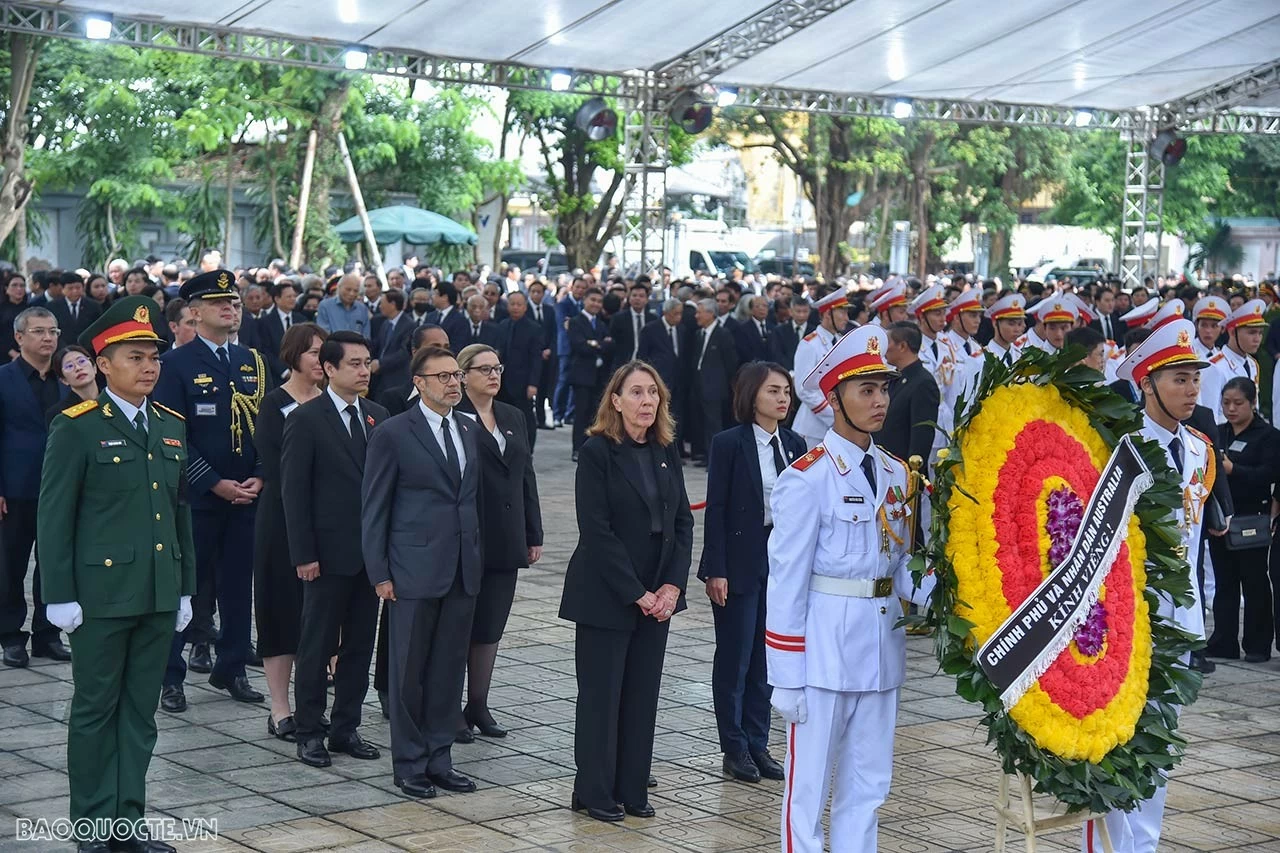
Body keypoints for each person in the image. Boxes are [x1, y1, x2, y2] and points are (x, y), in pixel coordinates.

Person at [767, 324, 933, 852]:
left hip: (882, 647)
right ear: (834, 399)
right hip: (822, 652)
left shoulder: (893, 472)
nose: (880, 400)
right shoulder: (806, 478)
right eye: (867, 390)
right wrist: (786, 676)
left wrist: (949, 591)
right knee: (808, 788)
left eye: (884, 388)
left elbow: (901, 563)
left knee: (869, 784)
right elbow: (786, 581)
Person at [38, 296, 194, 853]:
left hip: (157, 592)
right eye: (136, 356)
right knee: (94, 713)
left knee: (140, 716)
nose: (149, 366)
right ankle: (91, 827)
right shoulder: (76, 428)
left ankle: (128, 825)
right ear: (104, 364)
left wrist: (185, 587)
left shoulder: (171, 426)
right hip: (99, 597)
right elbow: (54, 517)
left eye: (154, 355)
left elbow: (179, 513)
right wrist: (57, 595)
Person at [1088, 317, 1212, 853]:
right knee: (1117, 749)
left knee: (1159, 750)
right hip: (1127, 619)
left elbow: (1198, 538)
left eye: (1194, 378)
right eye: (1178, 378)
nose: (1190, 389)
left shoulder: (1201, 449)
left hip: (1178, 623)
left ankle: (1144, 847)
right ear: (1147, 382)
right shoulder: (1123, 449)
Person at [559, 361, 694, 822]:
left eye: (653, 393)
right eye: (636, 393)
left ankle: (632, 788)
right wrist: (638, 592)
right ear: (615, 401)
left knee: (641, 696)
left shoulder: (664, 449)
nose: (646, 402)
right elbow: (596, 532)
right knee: (602, 698)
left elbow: (682, 523)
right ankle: (594, 792)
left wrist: (672, 586)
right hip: (607, 594)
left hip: (658, 598)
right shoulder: (597, 452)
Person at [362, 345, 482, 799]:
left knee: (448, 670)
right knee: (409, 672)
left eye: (456, 375)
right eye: (444, 377)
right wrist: (380, 572)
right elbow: (375, 507)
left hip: (461, 569)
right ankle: (409, 763)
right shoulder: (393, 433)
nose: (454, 383)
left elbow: (471, 502)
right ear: (419, 382)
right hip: (411, 569)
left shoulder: (468, 429)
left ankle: (440, 757)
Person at [152, 269, 267, 711]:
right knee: (187, 588)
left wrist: (260, 472)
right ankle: (171, 675)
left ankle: (232, 666)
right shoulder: (176, 365)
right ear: (194, 314)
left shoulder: (252, 362)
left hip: (246, 494)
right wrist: (213, 482)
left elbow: (266, 425)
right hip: (197, 498)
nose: (231, 308)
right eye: (220, 303)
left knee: (239, 586)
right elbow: (172, 436)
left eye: (235, 302)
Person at [283, 330, 386, 768]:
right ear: (328, 369)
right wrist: (304, 554)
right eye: (355, 364)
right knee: (316, 644)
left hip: (371, 557)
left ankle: (346, 727)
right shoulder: (306, 419)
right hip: (325, 556)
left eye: (367, 363)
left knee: (360, 645)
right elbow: (294, 492)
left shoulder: (378, 416)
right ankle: (309, 729)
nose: (364, 371)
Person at [698, 362, 805, 784]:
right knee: (736, 657)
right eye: (774, 391)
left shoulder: (795, 444)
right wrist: (716, 569)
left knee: (768, 657)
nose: (783, 399)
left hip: (781, 563)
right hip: (740, 560)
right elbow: (717, 508)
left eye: (786, 392)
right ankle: (734, 746)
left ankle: (759, 744)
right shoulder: (729, 443)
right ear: (751, 396)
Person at [454, 344, 543, 739]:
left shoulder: (512, 415)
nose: (494, 375)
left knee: (491, 625)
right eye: (484, 369)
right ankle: (448, 706)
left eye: (498, 368)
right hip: (467, 534)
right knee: (461, 623)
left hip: (507, 535)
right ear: (462, 375)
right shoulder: (453, 418)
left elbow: (526, 475)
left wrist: (533, 531)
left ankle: (479, 703)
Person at [253, 322, 327, 743]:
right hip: (281, 521)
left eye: (324, 353)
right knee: (280, 613)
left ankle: (310, 705)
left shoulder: (335, 403)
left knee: (317, 619)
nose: (320, 360)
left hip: (326, 524)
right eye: (314, 352)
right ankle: (280, 708)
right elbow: (277, 464)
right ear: (294, 355)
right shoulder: (275, 403)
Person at [0, 306, 71, 667]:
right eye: (39, 331)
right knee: (10, 565)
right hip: (15, 489)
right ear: (19, 337)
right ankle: (11, 636)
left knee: (54, 564)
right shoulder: (4, 378)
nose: (48, 338)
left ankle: (48, 634)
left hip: (61, 490)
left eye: (53, 331)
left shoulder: (67, 380)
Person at [1204, 378, 1277, 663]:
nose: (1231, 409)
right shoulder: (1218, 433)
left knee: (1255, 582)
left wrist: (1234, 469)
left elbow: (1268, 474)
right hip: (1221, 517)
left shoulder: (1268, 436)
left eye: (1238, 403)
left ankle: (1258, 644)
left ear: (1252, 403)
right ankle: (1223, 641)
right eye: (1226, 403)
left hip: (1251, 517)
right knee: (1225, 583)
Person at [791, 289, 851, 449]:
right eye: (842, 313)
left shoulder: (841, 341)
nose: (847, 318)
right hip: (812, 428)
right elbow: (803, 389)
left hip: (838, 425)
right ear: (827, 314)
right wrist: (835, 414)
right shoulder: (809, 344)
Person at [878, 322, 941, 465]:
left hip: (903, 470)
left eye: (888, 343)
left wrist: (913, 476)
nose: (884, 349)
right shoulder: (896, 377)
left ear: (902, 346)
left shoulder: (923, 383)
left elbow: (921, 436)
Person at [690, 298, 739, 465]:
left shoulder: (723, 334)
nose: (696, 316)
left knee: (714, 424)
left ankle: (715, 459)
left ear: (710, 314)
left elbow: (731, 363)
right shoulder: (699, 334)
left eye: (699, 312)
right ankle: (706, 455)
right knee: (702, 422)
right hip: (698, 385)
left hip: (715, 388)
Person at [567, 286, 612, 460]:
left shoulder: (601, 323)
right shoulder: (576, 321)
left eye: (599, 301)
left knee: (596, 413)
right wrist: (597, 344)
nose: (595, 304)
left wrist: (594, 343)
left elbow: (610, 345)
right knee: (582, 413)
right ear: (584, 300)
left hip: (599, 376)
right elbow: (579, 346)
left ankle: (591, 447)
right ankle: (577, 448)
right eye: (592, 300)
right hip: (582, 375)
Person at [495, 291, 544, 448]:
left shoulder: (534, 328)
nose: (515, 307)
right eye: (512, 304)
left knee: (525, 417)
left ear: (525, 307)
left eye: (519, 304)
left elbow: (536, 359)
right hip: (502, 380)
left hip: (523, 382)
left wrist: (533, 384)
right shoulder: (502, 325)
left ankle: (528, 449)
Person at [369, 289, 415, 398]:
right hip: (381, 378)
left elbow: (404, 352)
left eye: (382, 303)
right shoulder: (385, 323)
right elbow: (379, 345)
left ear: (393, 304)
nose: (380, 306)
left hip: (397, 377)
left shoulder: (409, 325)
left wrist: (381, 363)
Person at [554, 277, 587, 427]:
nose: (580, 290)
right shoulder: (563, 304)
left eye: (583, 288)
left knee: (577, 381)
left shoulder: (584, 305)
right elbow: (565, 325)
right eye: (577, 287)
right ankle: (557, 414)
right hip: (566, 347)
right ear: (571, 288)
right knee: (563, 380)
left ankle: (570, 414)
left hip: (580, 348)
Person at [527, 280, 559, 429]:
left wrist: (550, 350)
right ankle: (530, 418)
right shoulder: (525, 309)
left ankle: (541, 419)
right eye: (533, 291)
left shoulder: (549, 310)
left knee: (544, 387)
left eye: (539, 292)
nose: (536, 294)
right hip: (531, 355)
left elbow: (553, 333)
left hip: (547, 356)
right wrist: (538, 352)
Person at [48, 345, 102, 424]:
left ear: (94, 368)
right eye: (69, 366)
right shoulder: (59, 414)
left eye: (81, 361)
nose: (78, 368)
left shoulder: (115, 398)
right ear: (64, 380)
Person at [49, 271, 102, 350]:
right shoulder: (52, 306)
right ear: (63, 289)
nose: (75, 291)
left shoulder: (93, 306)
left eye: (78, 288)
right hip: (61, 349)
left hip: (88, 348)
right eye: (70, 288)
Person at [609, 281, 656, 371]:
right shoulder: (618, 318)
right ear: (629, 298)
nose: (637, 298)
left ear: (647, 299)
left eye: (641, 296)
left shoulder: (653, 319)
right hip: (623, 364)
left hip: (646, 365)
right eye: (634, 295)